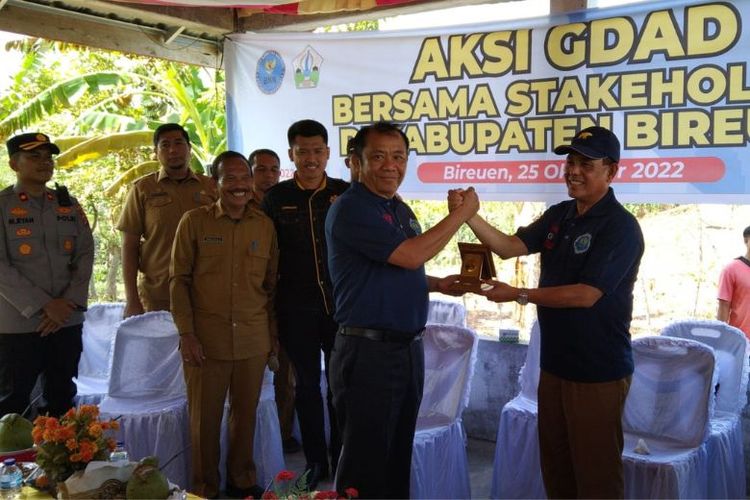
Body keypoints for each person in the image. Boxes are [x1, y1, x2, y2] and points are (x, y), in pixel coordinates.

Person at [450, 126, 643, 499]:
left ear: (612, 171)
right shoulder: (560, 214)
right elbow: (509, 247)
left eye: (586, 163)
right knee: (557, 470)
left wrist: (518, 294)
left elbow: (586, 295)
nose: (573, 170)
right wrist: (467, 215)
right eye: (570, 161)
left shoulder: (621, 227)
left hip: (597, 372)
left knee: (597, 478)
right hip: (554, 367)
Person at [326, 121, 478, 498]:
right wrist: (462, 214)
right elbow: (410, 256)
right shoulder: (352, 209)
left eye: (399, 157)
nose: (390, 165)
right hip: (367, 354)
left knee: (395, 459)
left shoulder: (398, 209)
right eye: (377, 156)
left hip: (405, 349)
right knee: (365, 466)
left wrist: (437, 283)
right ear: (355, 163)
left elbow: (397, 265)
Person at [170, 151, 278, 499]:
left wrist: (272, 339)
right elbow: (179, 281)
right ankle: (205, 488)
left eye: (244, 177)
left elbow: (271, 286)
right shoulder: (194, 222)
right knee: (205, 420)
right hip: (207, 341)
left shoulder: (264, 224)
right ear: (214, 183)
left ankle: (242, 481)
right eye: (229, 178)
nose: (239, 185)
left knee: (246, 417)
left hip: (252, 338)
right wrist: (186, 334)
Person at [261, 119, 349, 488]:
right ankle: (315, 462)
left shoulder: (345, 193)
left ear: (327, 153)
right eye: (303, 152)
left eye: (317, 151)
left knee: (341, 387)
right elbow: (265, 256)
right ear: (291, 155)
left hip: (341, 306)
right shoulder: (276, 198)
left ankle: (343, 457)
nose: (311, 159)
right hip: (295, 307)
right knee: (307, 388)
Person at [0, 132, 94, 418]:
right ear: (14, 164)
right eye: (34, 156)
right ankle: (14, 464)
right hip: (19, 325)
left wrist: (65, 305)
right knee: (12, 406)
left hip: (65, 322)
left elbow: (85, 253)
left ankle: (62, 461)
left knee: (62, 399)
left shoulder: (68, 204)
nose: (45, 162)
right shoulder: (2, 206)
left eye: (48, 157)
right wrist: (45, 306)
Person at [117, 123, 216, 318]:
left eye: (179, 143)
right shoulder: (142, 189)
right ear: (156, 152)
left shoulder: (211, 187)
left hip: (206, 292)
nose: (173, 150)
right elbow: (129, 246)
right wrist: (132, 299)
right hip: (159, 294)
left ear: (189, 149)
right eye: (165, 145)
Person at [247, 147, 299, 452]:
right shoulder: (238, 204)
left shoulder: (285, 200)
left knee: (285, 371)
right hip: (251, 299)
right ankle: (250, 438)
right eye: (261, 169)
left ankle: (282, 433)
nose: (268, 176)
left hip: (285, 297)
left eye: (274, 170)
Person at [717, 225, 750, 337]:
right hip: (741, 341)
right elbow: (723, 308)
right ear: (746, 240)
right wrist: (720, 339)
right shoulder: (731, 269)